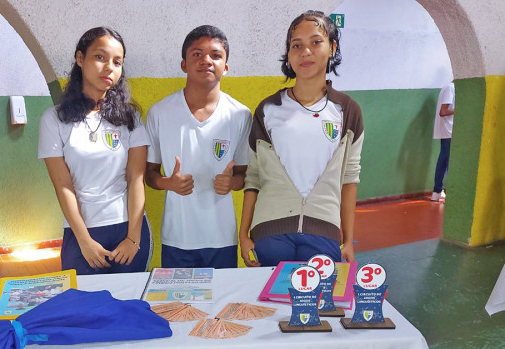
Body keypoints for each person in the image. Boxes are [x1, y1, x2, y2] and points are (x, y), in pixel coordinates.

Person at [239, 11, 363, 267]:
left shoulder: (347, 110)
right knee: (272, 304)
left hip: (324, 232)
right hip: (269, 232)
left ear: (332, 47)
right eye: (297, 45)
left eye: (316, 42)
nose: (306, 51)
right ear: (289, 54)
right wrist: (243, 233)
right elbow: (253, 177)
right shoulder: (268, 109)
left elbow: (350, 177)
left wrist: (348, 240)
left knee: (316, 304)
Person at [38, 27, 151, 275]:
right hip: (81, 234)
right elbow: (63, 186)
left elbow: (136, 179)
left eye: (117, 62)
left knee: (129, 308)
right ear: (80, 59)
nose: (109, 67)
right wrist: (85, 241)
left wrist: (133, 238)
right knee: (85, 309)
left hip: (127, 230)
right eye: (100, 57)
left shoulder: (130, 117)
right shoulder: (54, 119)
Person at [145, 25, 252, 269]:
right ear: (184, 64)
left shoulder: (240, 114)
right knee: (177, 307)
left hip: (222, 238)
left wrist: (232, 183)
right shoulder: (160, 112)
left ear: (225, 66)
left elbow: (245, 176)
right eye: (197, 54)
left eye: (215, 55)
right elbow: (149, 173)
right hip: (177, 237)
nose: (206, 60)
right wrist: (166, 183)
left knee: (222, 305)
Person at [431, 82, 455, 202]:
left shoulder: (448, 87)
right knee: (447, 161)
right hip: (449, 130)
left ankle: (437, 192)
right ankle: (441, 191)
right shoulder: (451, 88)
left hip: (448, 131)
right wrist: (460, 110)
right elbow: (443, 112)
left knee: (444, 160)